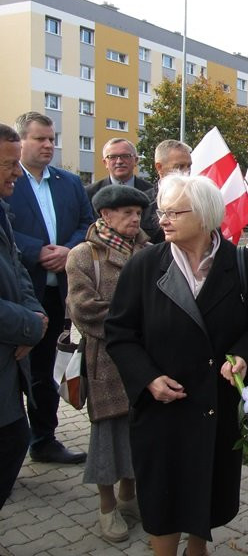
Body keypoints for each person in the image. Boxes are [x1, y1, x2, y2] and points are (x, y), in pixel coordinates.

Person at [105, 174, 248, 556]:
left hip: (214, 406)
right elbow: (119, 332)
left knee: (204, 486)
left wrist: (243, 356)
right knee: (162, 496)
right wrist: (148, 378)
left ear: (204, 216)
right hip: (163, 407)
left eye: (174, 212)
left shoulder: (243, 264)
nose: (162, 219)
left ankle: (197, 547)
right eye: (161, 211)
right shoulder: (144, 266)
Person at [7, 111, 94, 464]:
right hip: (20, 293)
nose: (48, 145)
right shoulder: (10, 181)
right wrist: (35, 250)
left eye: (51, 138)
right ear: (21, 141)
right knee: (15, 370)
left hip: (61, 294)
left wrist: (68, 250)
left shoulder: (69, 182)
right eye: (40, 138)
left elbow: (87, 223)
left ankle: (44, 439)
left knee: (47, 370)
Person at [65, 184, 150, 541]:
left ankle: (129, 499)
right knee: (107, 438)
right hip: (106, 361)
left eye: (138, 213)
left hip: (146, 360)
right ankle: (106, 508)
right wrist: (136, 321)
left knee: (137, 431)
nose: (135, 219)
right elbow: (83, 309)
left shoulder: (150, 250)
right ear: (105, 215)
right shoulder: (84, 255)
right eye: (127, 213)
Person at [0, 123, 48, 510]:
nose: (17, 172)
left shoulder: (2, 211)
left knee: (14, 438)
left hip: (10, 353)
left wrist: (34, 311)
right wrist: (31, 326)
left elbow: (15, 269)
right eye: (8, 164)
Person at [140, 139, 192, 243]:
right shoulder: (142, 204)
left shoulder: (200, 201)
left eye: (189, 166)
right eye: (179, 167)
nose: (186, 172)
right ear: (159, 167)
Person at [85, 138, 153, 213]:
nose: (119, 161)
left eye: (125, 156)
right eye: (112, 157)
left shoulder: (151, 192)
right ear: (105, 163)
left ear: (136, 160)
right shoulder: (88, 194)